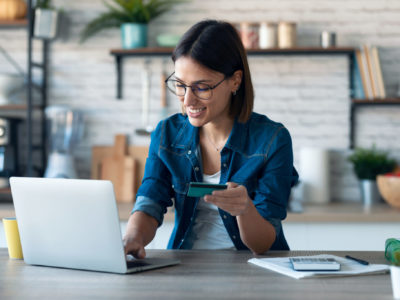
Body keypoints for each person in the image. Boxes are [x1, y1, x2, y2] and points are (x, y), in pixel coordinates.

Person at [123, 19, 299, 259]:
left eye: (202, 87)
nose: (187, 101)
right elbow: (151, 200)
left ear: (235, 81)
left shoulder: (272, 140)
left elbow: (263, 244)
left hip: (254, 272)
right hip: (185, 266)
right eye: (181, 85)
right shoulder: (166, 133)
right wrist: (132, 238)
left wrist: (245, 209)